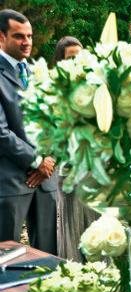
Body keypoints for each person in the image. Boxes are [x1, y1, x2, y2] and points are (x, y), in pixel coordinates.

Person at [0, 9, 57, 254]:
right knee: (5, 259)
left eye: (30, 36)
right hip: (11, 182)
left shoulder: (39, 73)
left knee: (49, 257)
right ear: (1, 37)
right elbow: (1, 132)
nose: (27, 42)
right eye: (19, 36)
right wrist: (36, 161)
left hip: (47, 180)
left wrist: (50, 161)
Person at [51, 36, 98, 261]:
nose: (77, 62)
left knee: (98, 234)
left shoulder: (95, 89)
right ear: (60, 62)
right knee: (73, 233)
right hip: (70, 172)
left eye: (80, 57)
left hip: (95, 172)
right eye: (71, 58)